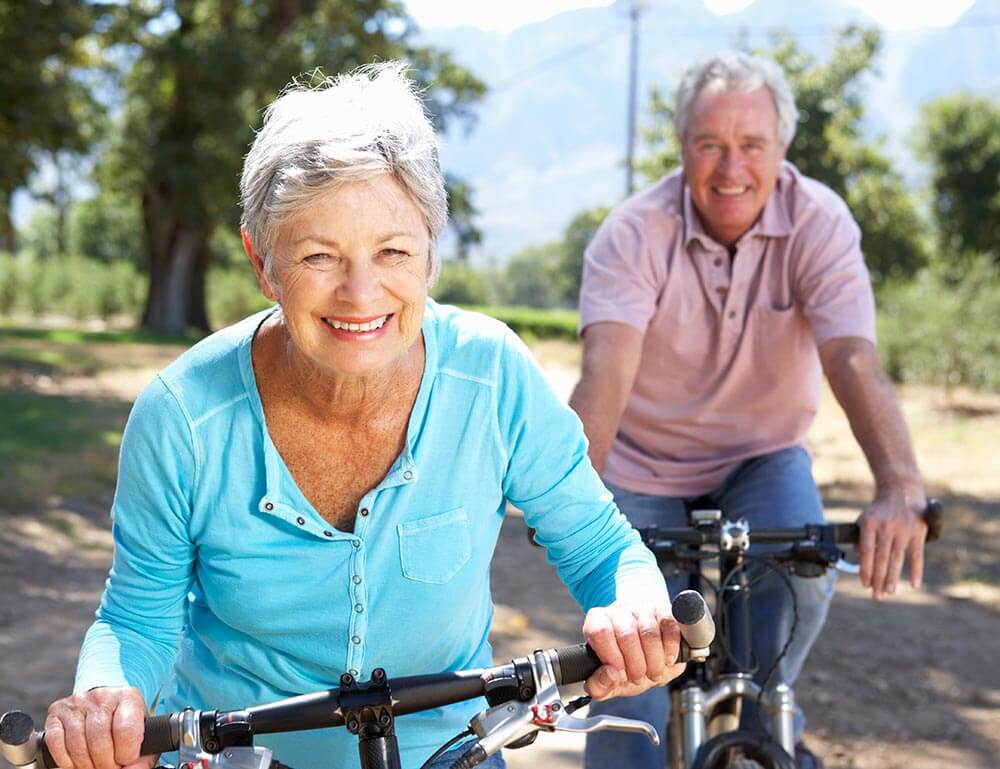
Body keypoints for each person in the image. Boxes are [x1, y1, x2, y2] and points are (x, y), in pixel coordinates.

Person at [43, 63, 687, 769]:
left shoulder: (493, 375)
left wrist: (632, 602)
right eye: (320, 255)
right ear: (264, 263)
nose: (361, 292)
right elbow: (138, 615)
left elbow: (602, 547)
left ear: (431, 256)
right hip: (239, 756)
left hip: (448, 752)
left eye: (393, 251)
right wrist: (106, 695)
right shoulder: (183, 417)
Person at [572, 52, 929, 769]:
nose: (730, 167)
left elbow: (851, 356)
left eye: (751, 145)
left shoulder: (819, 222)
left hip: (762, 456)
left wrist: (898, 486)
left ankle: (759, 715)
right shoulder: (633, 233)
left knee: (803, 576)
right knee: (632, 671)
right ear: (682, 149)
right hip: (644, 462)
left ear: (782, 150)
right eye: (710, 144)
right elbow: (604, 376)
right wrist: (573, 507)